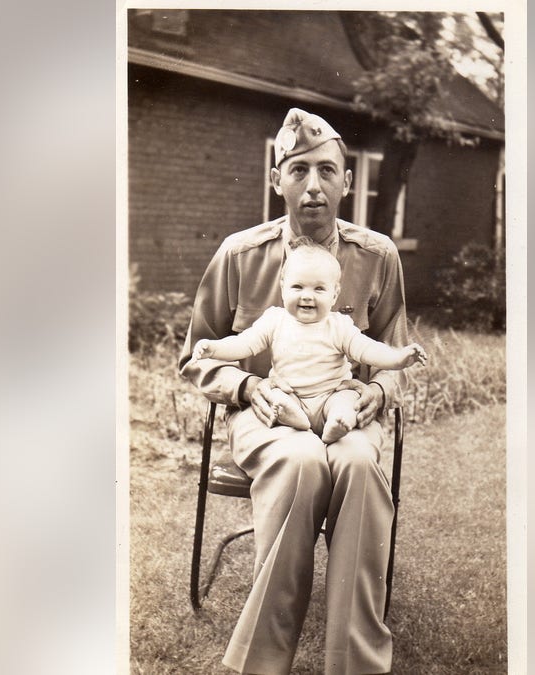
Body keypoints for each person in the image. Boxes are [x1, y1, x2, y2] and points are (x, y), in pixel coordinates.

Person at [179, 107, 411, 674]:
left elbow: (394, 356)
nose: (313, 186)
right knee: (303, 458)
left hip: (346, 412)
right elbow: (197, 354)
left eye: (327, 170)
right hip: (269, 413)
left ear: (348, 181)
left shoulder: (377, 256)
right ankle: (263, 663)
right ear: (275, 178)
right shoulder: (240, 255)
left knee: (356, 463)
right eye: (299, 170)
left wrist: (373, 396)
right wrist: (244, 383)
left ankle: (351, 662)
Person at [191, 239, 427, 444]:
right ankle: (293, 417)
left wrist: (400, 358)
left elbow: (369, 350)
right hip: (291, 394)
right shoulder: (275, 320)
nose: (307, 295)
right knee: (276, 395)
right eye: (297, 286)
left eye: (319, 289)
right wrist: (214, 348)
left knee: (347, 399)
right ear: (283, 288)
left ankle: (338, 422)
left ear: (334, 294)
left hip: (330, 394)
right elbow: (244, 344)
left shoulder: (339, 326)